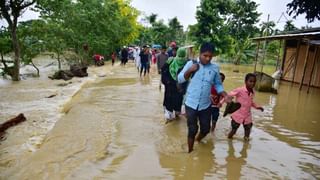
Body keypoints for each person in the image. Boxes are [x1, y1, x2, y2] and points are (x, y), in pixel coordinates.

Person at [177, 42, 231, 153]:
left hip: (205, 104)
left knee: (206, 129)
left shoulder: (215, 68)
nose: (207, 59)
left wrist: (225, 95)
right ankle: (190, 152)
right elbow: (180, 79)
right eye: (205, 56)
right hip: (191, 103)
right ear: (200, 54)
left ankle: (197, 140)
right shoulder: (191, 64)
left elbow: (218, 84)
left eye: (210, 56)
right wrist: (190, 70)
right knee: (192, 129)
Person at [227, 73, 264, 141]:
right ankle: (229, 141)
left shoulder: (253, 92)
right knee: (233, 131)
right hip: (238, 115)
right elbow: (229, 94)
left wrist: (257, 107)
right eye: (250, 81)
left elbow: (251, 102)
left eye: (254, 82)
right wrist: (228, 99)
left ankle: (245, 147)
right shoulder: (240, 90)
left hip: (247, 115)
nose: (252, 83)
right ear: (245, 81)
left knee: (248, 130)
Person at [162, 48, 188, 121]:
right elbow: (164, 71)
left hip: (177, 89)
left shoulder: (187, 63)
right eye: (180, 56)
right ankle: (170, 117)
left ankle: (173, 117)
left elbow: (163, 71)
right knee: (171, 104)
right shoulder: (171, 61)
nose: (180, 59)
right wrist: (167, 82)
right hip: (172, 87)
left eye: (182, 57)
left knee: (175, 106)